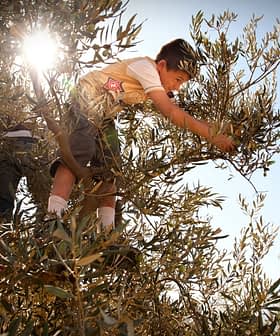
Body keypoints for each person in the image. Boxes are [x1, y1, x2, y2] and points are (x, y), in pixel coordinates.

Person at [47, 38, 235, 231]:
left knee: (111, 173)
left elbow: (180, 111)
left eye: (182, 84)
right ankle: (53, 218)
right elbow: (170, 112)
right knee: (79, 151)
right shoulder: (146, 68)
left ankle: (105, 235)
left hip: (105, 115)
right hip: (87, 96)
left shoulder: (157, 85)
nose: (177, 87)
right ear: (161, 65)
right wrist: (212, 136)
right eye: (178, 79)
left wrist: (217, 128)